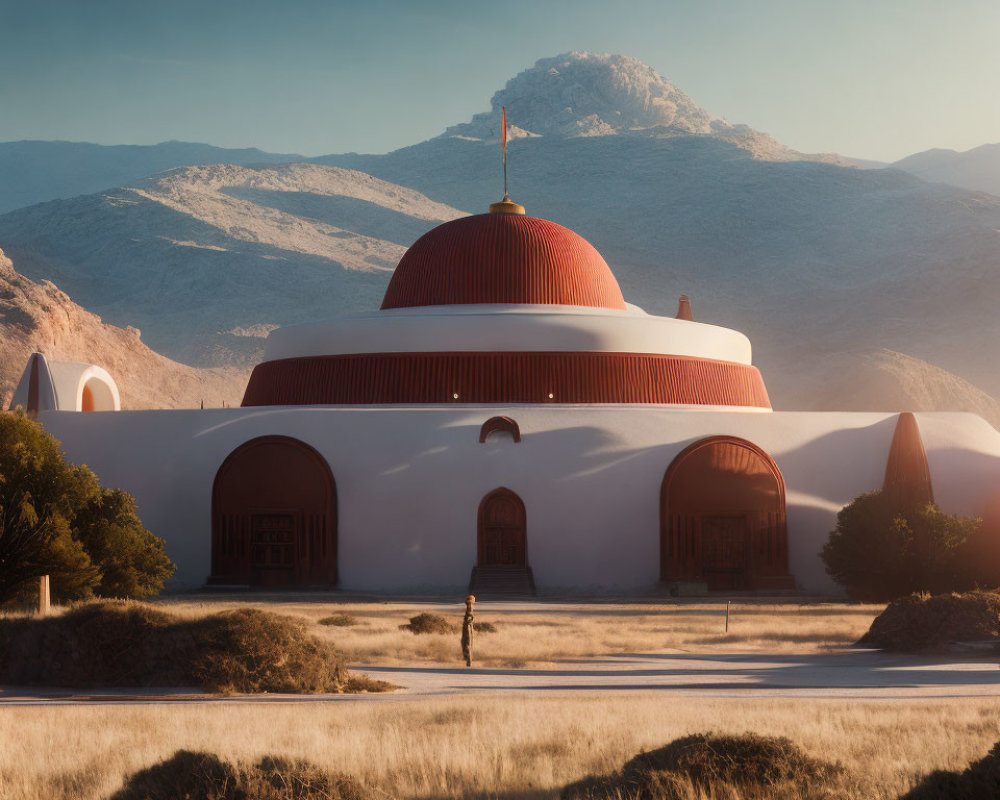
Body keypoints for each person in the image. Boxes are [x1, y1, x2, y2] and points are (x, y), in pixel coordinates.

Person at [461, 594, 475, 667]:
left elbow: (469, 616)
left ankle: (469, 660)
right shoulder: (470, 606)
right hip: (468, 624)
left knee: (467, 642)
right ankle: (468, 659)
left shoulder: (470, 605)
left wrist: (468, 621)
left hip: (468, 625)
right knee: (467, 642)